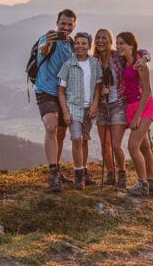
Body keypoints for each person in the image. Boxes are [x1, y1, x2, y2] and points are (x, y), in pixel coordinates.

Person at [93, 29, 150, 189]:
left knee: (116, 145)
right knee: (105, 145)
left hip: (118, 105)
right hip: (102, 108)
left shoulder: (117, 56)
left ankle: (122, 173)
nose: (101, 40)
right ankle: (111, 175)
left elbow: (140, 51)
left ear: (109, 41)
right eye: (98, 38)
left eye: (104, 38)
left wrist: (145, 58)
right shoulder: (94, 61)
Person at [35, 9, 76, 192]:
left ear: (74, 25)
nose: (66, 27)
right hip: (45, 90)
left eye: (69, 24)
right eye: (63, 24)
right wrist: (47, 44)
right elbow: (43, 51)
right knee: (51, 126)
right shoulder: (47, 40)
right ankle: (53, 174)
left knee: (60, 133)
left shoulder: (73, 45)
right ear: (57, 23)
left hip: (64, 94)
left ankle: (57, 170)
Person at [58, 32, 102, 190]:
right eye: (77, 43)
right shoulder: (68, 65)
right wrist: (65, 112)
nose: (80, 46)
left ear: (89, 46)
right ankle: (78, 177)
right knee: (76, 139)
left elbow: (98, 87)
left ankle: (84, 172)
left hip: (88, 108)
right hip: (73, 107)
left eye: (84, 43)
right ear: (73, 45)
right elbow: (61, 91)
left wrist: (95, 104)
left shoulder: (95, 64)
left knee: (84, 140)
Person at [116, 31, 153, 197]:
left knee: (133, 146)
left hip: (144, 106)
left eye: (122, 43)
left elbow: (148, 91)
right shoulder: (123, 61)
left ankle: (142, 184)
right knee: (144, 146)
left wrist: (137, 115)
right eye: (117, 43)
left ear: (132, 45)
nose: (118, 47)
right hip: (131, 106)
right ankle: (152, 182)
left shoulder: (140, 64)